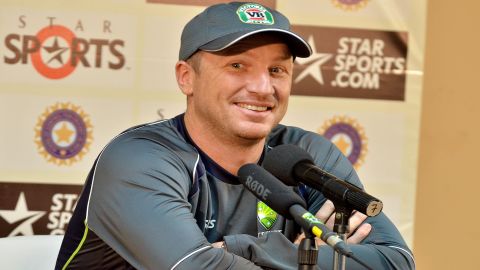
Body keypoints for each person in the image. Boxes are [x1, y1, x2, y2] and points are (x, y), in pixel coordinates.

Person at [55, 2, 415, 269]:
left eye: (277, 69)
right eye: (237, 65)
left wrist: (246, 249)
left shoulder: (306, 154)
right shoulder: (139, 158)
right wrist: (317, 259)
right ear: (186, 77)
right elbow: (200, 268)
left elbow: (397, 262)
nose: (262, 87)